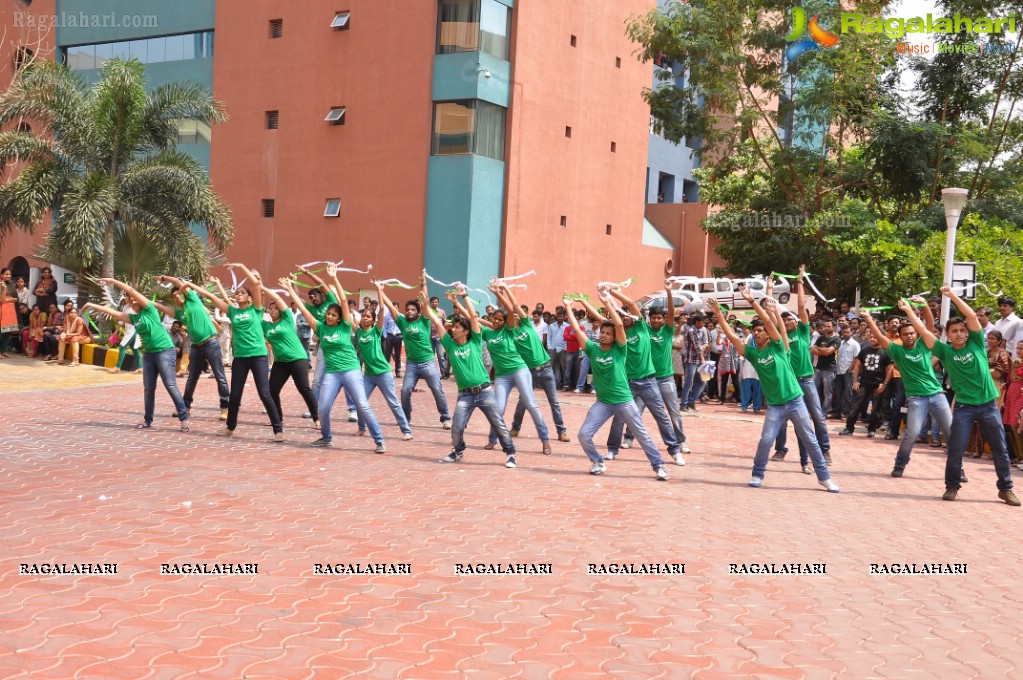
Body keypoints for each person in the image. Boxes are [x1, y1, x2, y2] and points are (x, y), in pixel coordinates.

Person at [708, 292, 839, 492]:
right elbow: (733, 337)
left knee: (810, 439)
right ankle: (757, 474)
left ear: (769, 334)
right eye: (755, 331)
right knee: (766, 440)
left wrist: (752, 301)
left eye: (761, 330)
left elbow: (770, 320)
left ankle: (824, 477)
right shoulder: (752, 353)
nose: (758, 333)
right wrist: (719, 315)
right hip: (775, 406)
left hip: (795, 401)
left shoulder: (778, 346)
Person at [900, 291, 1017, 506]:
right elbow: (923, 331)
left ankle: (1006, 489)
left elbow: (971, 316)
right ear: (948, 334)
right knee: (955, 449)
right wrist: (908, 310)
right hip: (964, 407)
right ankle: (952, 487)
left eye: (963, 330)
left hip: (989, 406)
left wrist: (952, 295)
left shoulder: (976, 344)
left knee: (1000, 449)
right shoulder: (944, 351)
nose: (960, 333)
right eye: (955, 331)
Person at [564, 290, 670, 481]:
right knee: (583, 434)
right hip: (603, 402)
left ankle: (659, 465)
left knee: (642, 434)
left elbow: (619, 324)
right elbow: (575, 327)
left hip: (623, 401)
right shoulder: (592, 349)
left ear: (614, 337)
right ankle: (597, 461)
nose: (603, 336)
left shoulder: (621, 349)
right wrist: (568, 306)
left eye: (607, 333)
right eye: (602, 333)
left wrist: (608, 303)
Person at [285, 266, 385, 452]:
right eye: (328, 314)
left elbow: (344, 301)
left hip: (350, 369)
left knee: (362, 404)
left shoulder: (346, 326)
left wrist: (334, 277)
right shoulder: (321, 328)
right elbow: (301, 306)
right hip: (333, 372)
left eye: (333, 315)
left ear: (340, 318)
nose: (329, 316)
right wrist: (290, 288)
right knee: (322, 407)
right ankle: (326, 437)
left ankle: (379, 440)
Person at [589, 284, 685, 465]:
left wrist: (612, 292)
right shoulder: (619, 335)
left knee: (662, 416)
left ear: (633, 317)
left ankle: (674, 451)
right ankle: (612, 448)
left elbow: (632, 303)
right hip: (628, 383)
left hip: (649, 381)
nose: (624, 319)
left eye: (627, 316)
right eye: (621, 316)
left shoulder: (642, 328)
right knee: (619, 417)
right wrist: (602, 300)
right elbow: (605, 319)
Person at [424, 283, 516, 468]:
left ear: (465, 331)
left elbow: (473, 317)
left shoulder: (475, 340)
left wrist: (464, 295)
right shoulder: (450, 345)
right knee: (457, 427)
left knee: (498, 423)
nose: (453, 329)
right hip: (465, 395)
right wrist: (424, 303)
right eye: (453, 327)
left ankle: (510, 453)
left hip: (484, 392)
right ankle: (458, 451)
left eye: (457, 327)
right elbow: (435, 321)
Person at [860, 299, 954, 479]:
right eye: (906, 334)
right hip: (917, 398)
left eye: (912, 333)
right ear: (900, 337)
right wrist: (869, 318)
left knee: (951, 431)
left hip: (937, 394)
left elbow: (928, 322)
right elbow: (880, 337)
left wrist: (924, 305)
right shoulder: (897, 351)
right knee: (912, 433)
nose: (910, 336)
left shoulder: (924, 345)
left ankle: (958, 468)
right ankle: (900, 464)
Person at [82, 278, 189, 432]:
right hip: (149, 355)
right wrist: (91, 305)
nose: (131, 300)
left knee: (170, 385)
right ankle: (148, 420)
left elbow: (132, 291)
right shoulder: (133, 318)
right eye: (129, 299)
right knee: (148, 388)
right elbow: (113, 312)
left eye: (133, 298)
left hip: (165, 351)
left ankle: (184, 419)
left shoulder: (149, 309)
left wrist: (112, 281)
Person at [191, 264, 284, 441]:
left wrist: (242, 267)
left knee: (265, 393)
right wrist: (189, 286)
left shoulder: (255, 310)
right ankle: (230, 427)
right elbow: (210, 296)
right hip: (240, 358)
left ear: (249, 298)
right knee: (235, 394)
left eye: (242, 293)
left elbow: (257, 286)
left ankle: (278, 430)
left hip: (258, 356)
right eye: (237, 293)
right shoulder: (232, 311)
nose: (238, 295)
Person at [460, 282, 551, 455]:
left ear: (505, 322)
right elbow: (472, 317)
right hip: (502, 376)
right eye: (494, 318)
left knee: (531, 404)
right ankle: (493, 439)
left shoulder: (509, 330)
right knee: (498, 408)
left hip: (519, 370)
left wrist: (499, 292)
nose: (496, 321)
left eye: (500, 319)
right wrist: (460, 299)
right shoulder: (488, 333)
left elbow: (511, 309)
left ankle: (545, 440)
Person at [772, 267, 832, 470]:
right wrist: (769, 288)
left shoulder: (804, 331)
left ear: (797, 321)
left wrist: (799, 281)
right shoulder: (779, 336)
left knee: (817, 416)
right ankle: (780, 449)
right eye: (785, 319)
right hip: (788, 383)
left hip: (806, 379)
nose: (788, 321)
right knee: (781, 419)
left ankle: (824, 449)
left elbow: (801, 306)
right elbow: (770, 313)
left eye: (791, 319)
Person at [377, 275, 452, 430]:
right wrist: (381, 290)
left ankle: (445, 418)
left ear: (418, 312)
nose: (410, 311)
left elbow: (425, 300)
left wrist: (423, 283)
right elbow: (391, 307)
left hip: (428, 362)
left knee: (437, 389)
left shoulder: (424, 320)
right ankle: (406, 417)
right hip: (412, 364)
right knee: (405, 390)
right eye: (408, 309)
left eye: (413, 309)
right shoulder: (403, 322)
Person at [154, 276, 231, 420]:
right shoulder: (179, 313)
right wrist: (146, 302)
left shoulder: (192, 300)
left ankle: (225, 408)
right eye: (173, 297)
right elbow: (160, 307)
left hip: (211, 343)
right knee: (192, 378)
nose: (176, 298)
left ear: (184, 293)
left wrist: (164, 278)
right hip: (196, 347)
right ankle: (186, 407)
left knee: (220, 376)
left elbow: (178, 282)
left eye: (178, 295)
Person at [501, 283, 570, 444]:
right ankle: (515, 428)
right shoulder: (510, 333)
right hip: (529, 372)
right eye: (513, 316)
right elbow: (507, 312)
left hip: (546, 369)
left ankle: (561, 431)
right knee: (523, 401)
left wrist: (506, 289)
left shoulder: (527, 324)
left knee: (554, 402)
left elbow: (515, 305)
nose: (516, 315)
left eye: (519, 314)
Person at [297, 266, 356, 422]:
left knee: (347, 379)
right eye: (310, 297)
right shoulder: (312, 309)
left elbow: (323, 283)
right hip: (324, 345)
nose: (313, 298)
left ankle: (353, 410)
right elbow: (299, 302)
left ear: (322, 295)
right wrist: (293, 284)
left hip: (341, 344)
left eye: (315, 295)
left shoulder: (331, 301)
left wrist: (307, 272)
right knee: (317, 379)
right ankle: (313, 408)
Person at [355, 282, 413, 440]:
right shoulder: (358, 332)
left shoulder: (376, 331)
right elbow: (347, 315)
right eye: (363, 316)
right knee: (361, 402)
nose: (365, 318)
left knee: (393, 402)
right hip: (368, 375)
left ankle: (406, 430)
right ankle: (361, 427)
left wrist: (379, 290)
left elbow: (381, 309)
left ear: (373, 321)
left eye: (368, 317)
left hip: (383, 373)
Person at [260, 286, 320, 431]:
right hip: (280, 362)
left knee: (304, 388)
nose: (273, 310)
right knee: (272, 390)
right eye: (271, 308)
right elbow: (258, 309)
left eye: (275, 308)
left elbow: (280, 299)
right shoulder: (265, 326)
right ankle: (277, 418)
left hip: (298, 359)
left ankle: (317, 418)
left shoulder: (287, 319)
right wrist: (259, 290)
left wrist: (263, 287)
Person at [838, 334, 891, 438]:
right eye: (870, 337)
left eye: (875, 337)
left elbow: (890, 369)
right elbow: (857, 365)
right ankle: (849, 428)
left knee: (876, 408)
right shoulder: (864, 351)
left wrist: (884, 384)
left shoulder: (886, 352)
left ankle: (872, 429)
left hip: (878, 385)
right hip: (864, 384)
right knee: (855, 406)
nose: (872, 339)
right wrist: (855, 381)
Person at [832, 325, 861, 419]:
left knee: (848, 393)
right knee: (838, 393)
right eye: (844, 332)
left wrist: (851, 369)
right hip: (839, 371)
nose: (845, 334)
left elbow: (857, 358)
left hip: (849, 372)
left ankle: (847, 412)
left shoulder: (855, 344)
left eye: (847, 332)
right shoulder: (840, 343)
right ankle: (837, 413)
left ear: (851, 332)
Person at [1003, 341, 1023, 469]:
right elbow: (1009, 379)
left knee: (1018, 424)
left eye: (1021, 348)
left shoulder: (1018, 363)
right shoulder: (1016, 361)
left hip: (1020, 395)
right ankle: (1017, 454)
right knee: (1011, 424)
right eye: (1017, 347)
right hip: (1012, 393)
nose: (1019, 350)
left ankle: (1022, 455)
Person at [428, 295, 450, 378]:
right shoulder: (428, 311)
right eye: (433, 302)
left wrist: (443, 334)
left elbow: (445, 323)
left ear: (438, 303)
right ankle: (431, 374)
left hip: (438, 337)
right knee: (430, 356)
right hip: (429, 337)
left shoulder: (441, 312)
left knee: (441, 356)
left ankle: (444, 373)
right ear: (430, 303)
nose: (434, 303)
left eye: (436, 302)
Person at [0, 268, 17, 358]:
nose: (8, 276)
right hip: (1, 311)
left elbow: (16, 299)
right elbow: (1, 300)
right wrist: (4, 289)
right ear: (1, 275)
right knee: (0, 332)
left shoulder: (12, 285)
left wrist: (7, 300)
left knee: (8, 332)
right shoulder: (1, 285)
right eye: (6, 274)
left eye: (9, 274)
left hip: (10, 311)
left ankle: (4, 351)